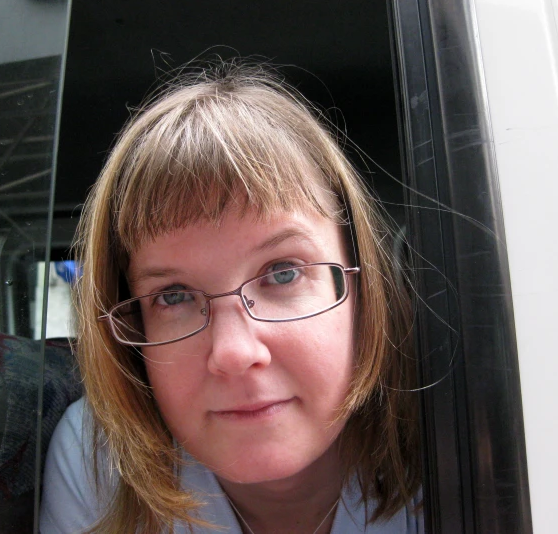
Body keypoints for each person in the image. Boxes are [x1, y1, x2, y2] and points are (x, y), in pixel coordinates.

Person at [40, 62, 422, 534]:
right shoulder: (98, 463)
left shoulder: (473, 444)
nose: (234, 353)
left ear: (362, 292)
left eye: (282, 273)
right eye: (174, 295)